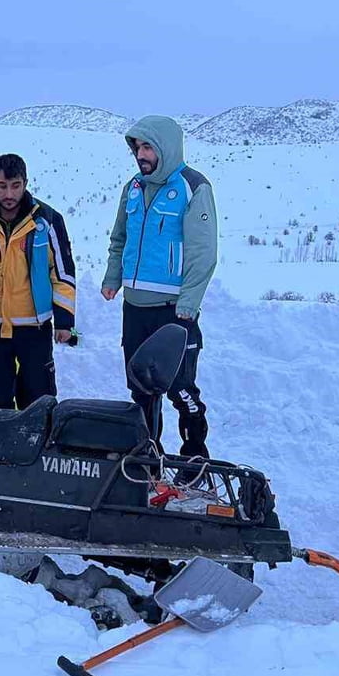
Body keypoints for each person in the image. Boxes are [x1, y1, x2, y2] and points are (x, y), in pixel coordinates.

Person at [101, 115, 218, 457]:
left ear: (165, 147)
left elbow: (203, 252)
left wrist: (189, 302)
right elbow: (119, 238)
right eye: (137, 147)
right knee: (141, 390)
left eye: (147, 146)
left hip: (172, 310)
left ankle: (194, 454)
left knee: (180, 389)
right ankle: (147, 458)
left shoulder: (192, 187)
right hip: (135, 309)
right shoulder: (133, 187)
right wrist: (112, 277)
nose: (141, 154)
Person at [0, 153, 77, 409]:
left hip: (34, 328)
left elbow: (62, 273)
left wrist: (64, 321)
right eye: (2, 186)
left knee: (38, 400)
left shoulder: (47, 221)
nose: (9, 194)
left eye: (15, 186)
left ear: (26, 183)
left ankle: (37, 447)